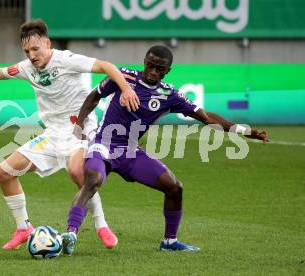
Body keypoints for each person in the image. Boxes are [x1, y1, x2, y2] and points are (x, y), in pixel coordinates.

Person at [0, 19, 140, 250]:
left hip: (80, 130)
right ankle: (24, 228)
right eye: (26, 51)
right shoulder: (26, 68)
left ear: (47, 44)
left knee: (77, 171)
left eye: (35, 49)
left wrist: (126, 88)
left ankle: (101, 225)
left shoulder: (68, 60)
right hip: (52, 135)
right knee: (4, 172)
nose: (31, 55)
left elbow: (106, 66)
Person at [61, 45, 269, 254]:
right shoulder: (124, 78)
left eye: (159, 69)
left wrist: (245, 131)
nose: (153, 71)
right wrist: (79, 124)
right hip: (103, 143)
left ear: (167, 70)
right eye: (150, 65)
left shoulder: (169, 94)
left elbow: (206, 118)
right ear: (144, 61)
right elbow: (94, 96)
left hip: (130, 152)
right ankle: (71, 233)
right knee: (93, 179)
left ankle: (170, 242)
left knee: (174, 187)